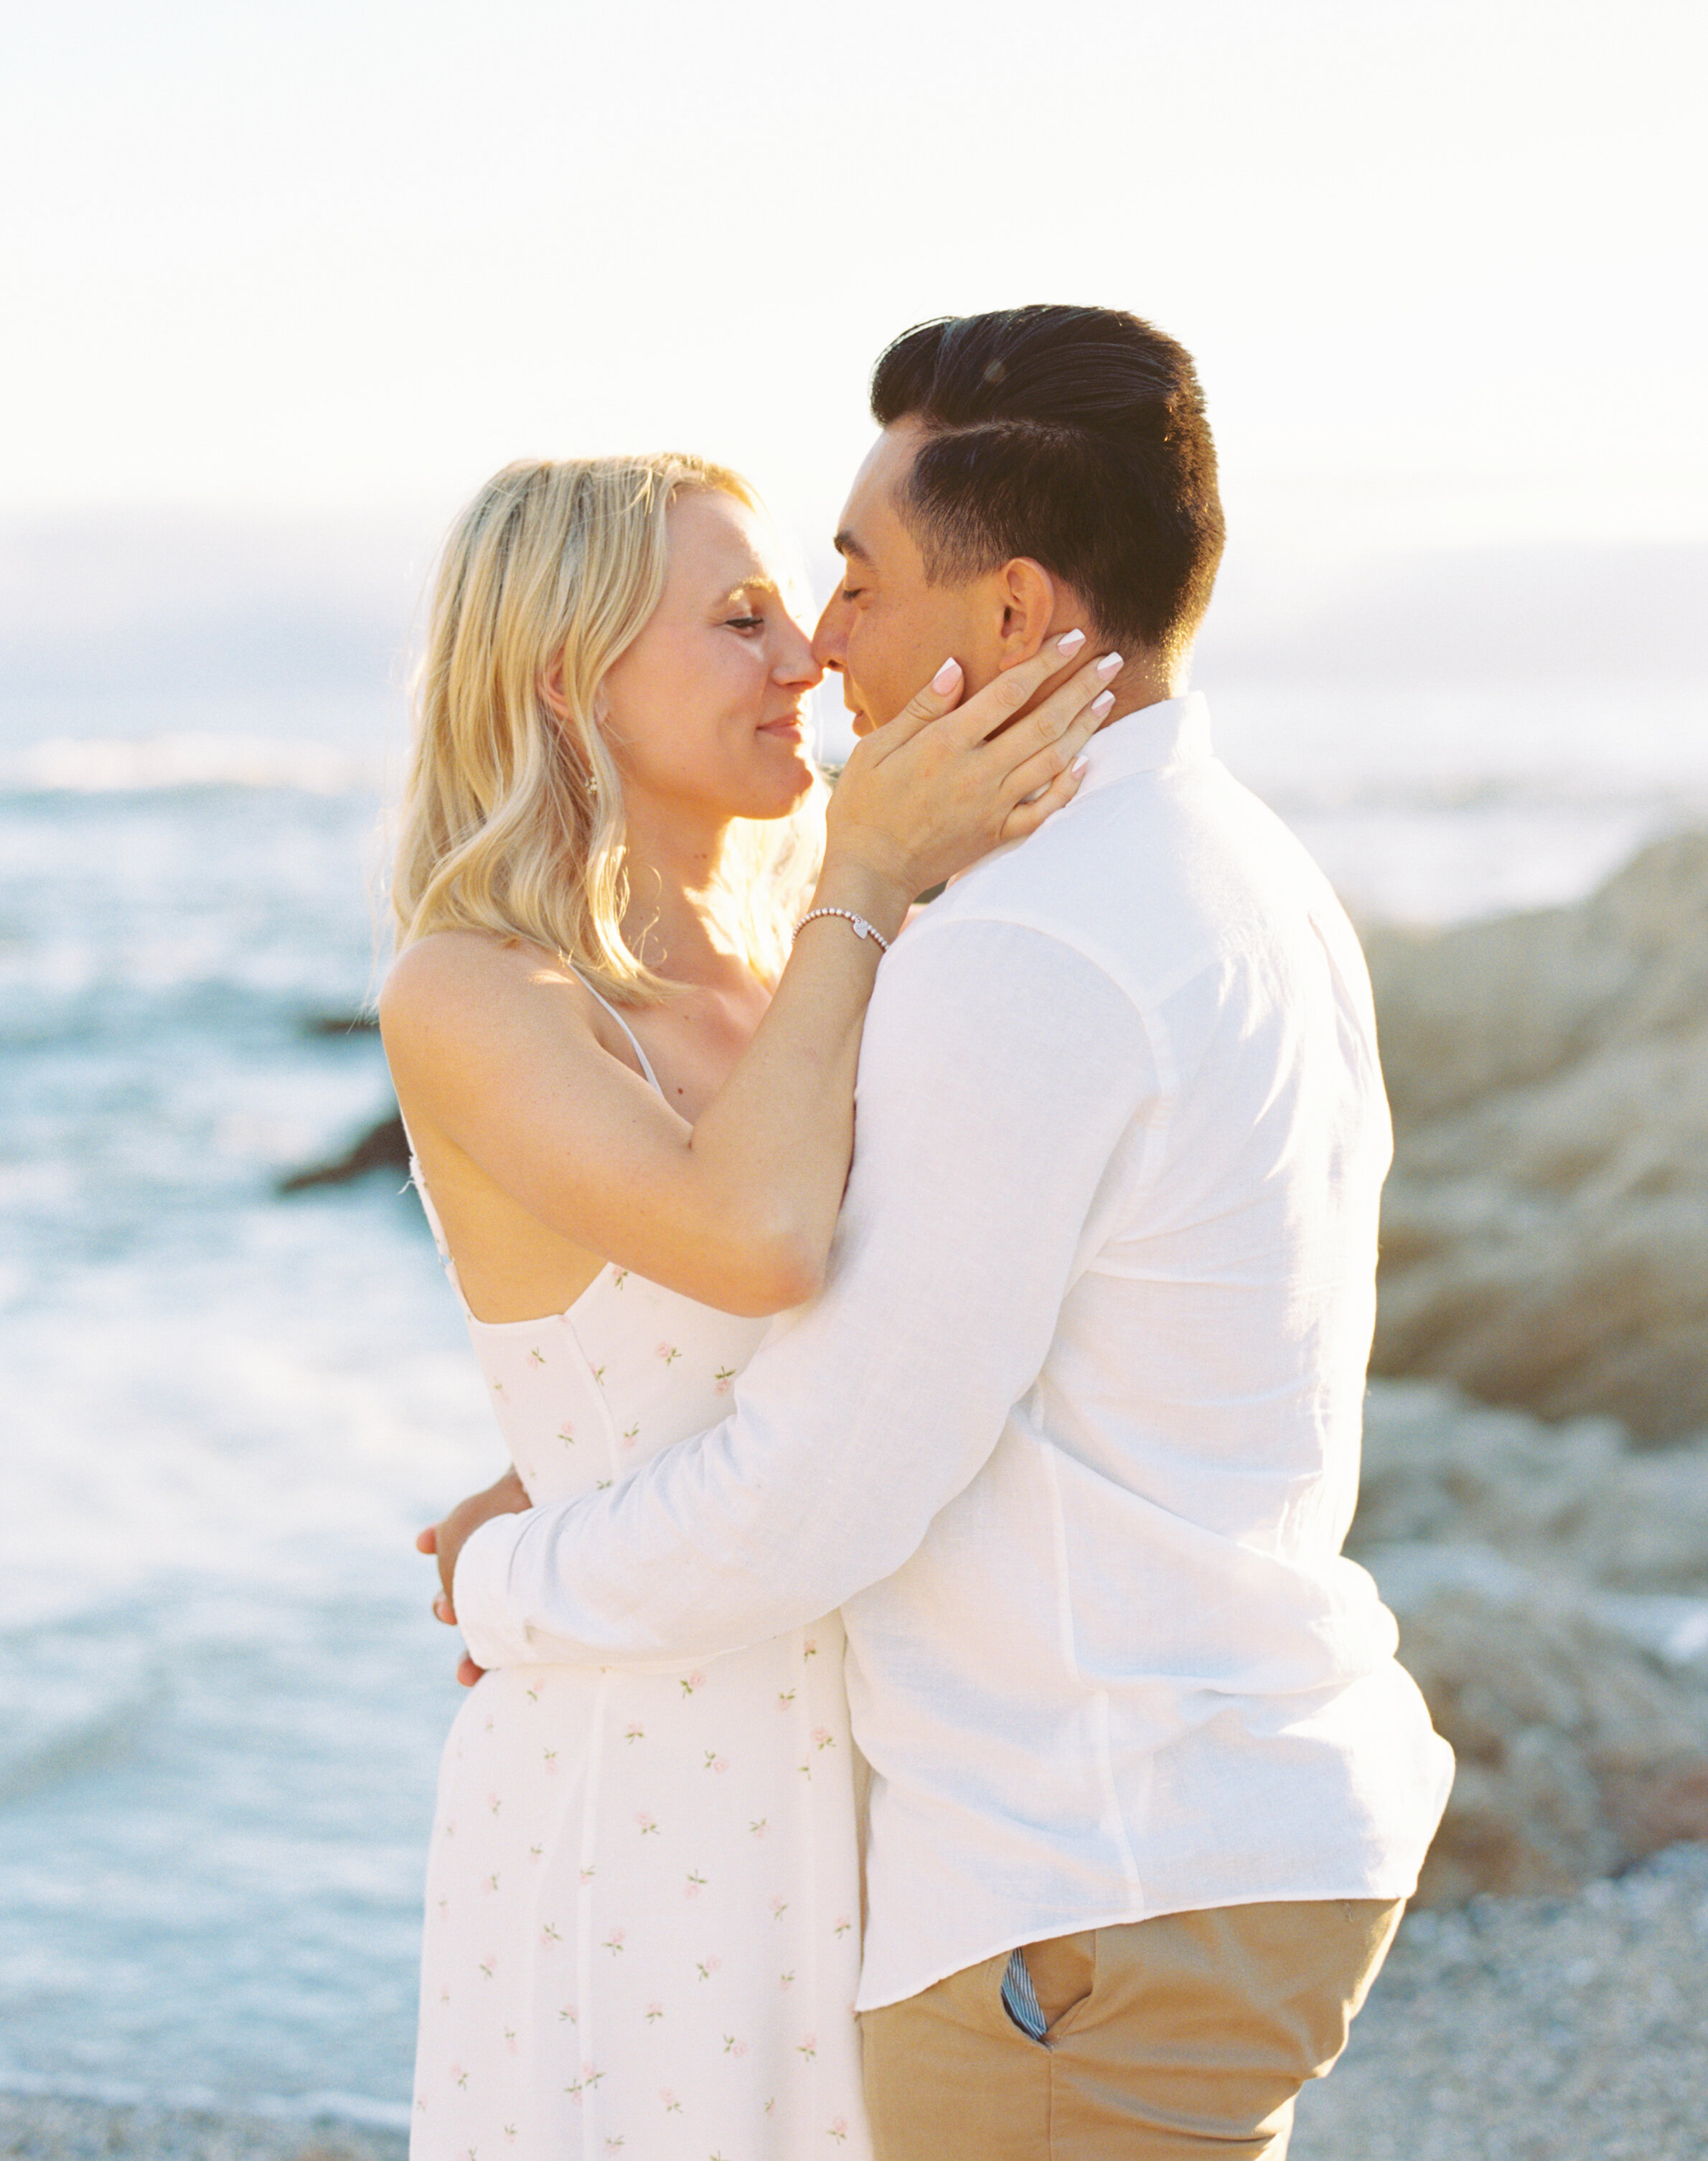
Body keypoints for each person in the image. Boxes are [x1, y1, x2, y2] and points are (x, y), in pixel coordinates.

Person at [428, 309, 1457, 2160]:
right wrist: (557, 1479)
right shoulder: (1219, 874)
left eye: (842, 579)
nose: (820, 644)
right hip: (970, 1820)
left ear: (1009, 619)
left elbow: (812, 1466)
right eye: (750, 608)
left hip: (1079, 1856)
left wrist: (503, 1581)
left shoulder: (1005, 944)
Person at [379, 449, 1108, 2160]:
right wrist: (871, 865)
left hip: (892, 1762)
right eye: (736, 617)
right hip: (645, 1786)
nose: (805, 658)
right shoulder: (475, 988)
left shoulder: (817, 968)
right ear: (566, 676)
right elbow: (761, 1243)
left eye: (793, 607)